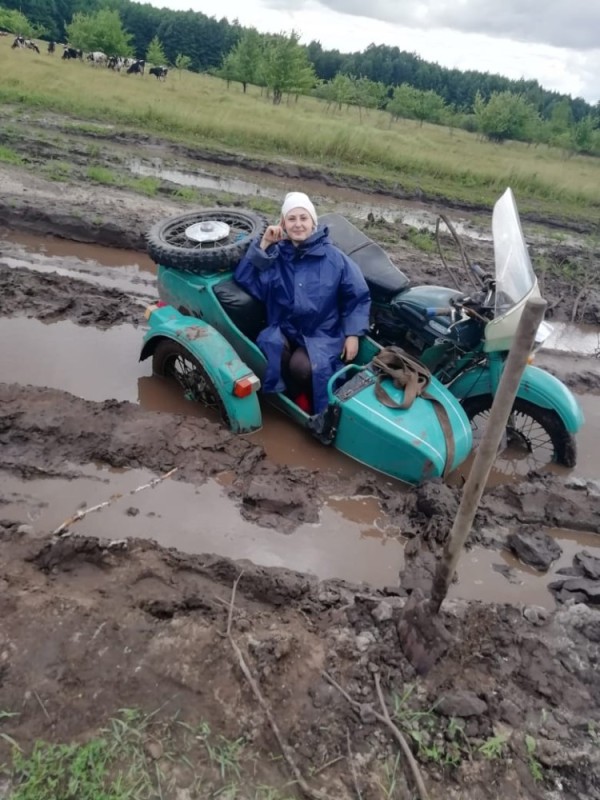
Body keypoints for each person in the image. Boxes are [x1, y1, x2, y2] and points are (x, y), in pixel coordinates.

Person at [234, 191, 371, 415]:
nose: (298, 225)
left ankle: (304, 395)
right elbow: (246, 279)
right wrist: (265, 244)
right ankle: (291, 395)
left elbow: (357, 296)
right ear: (283, 224)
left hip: (322, 334)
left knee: (304, 367)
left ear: (313, 223)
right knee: (271, 345)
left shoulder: (335, 259)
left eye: (303, 218)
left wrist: (353, 334)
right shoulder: (276, 255)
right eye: (292, 218)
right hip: (286, 329)